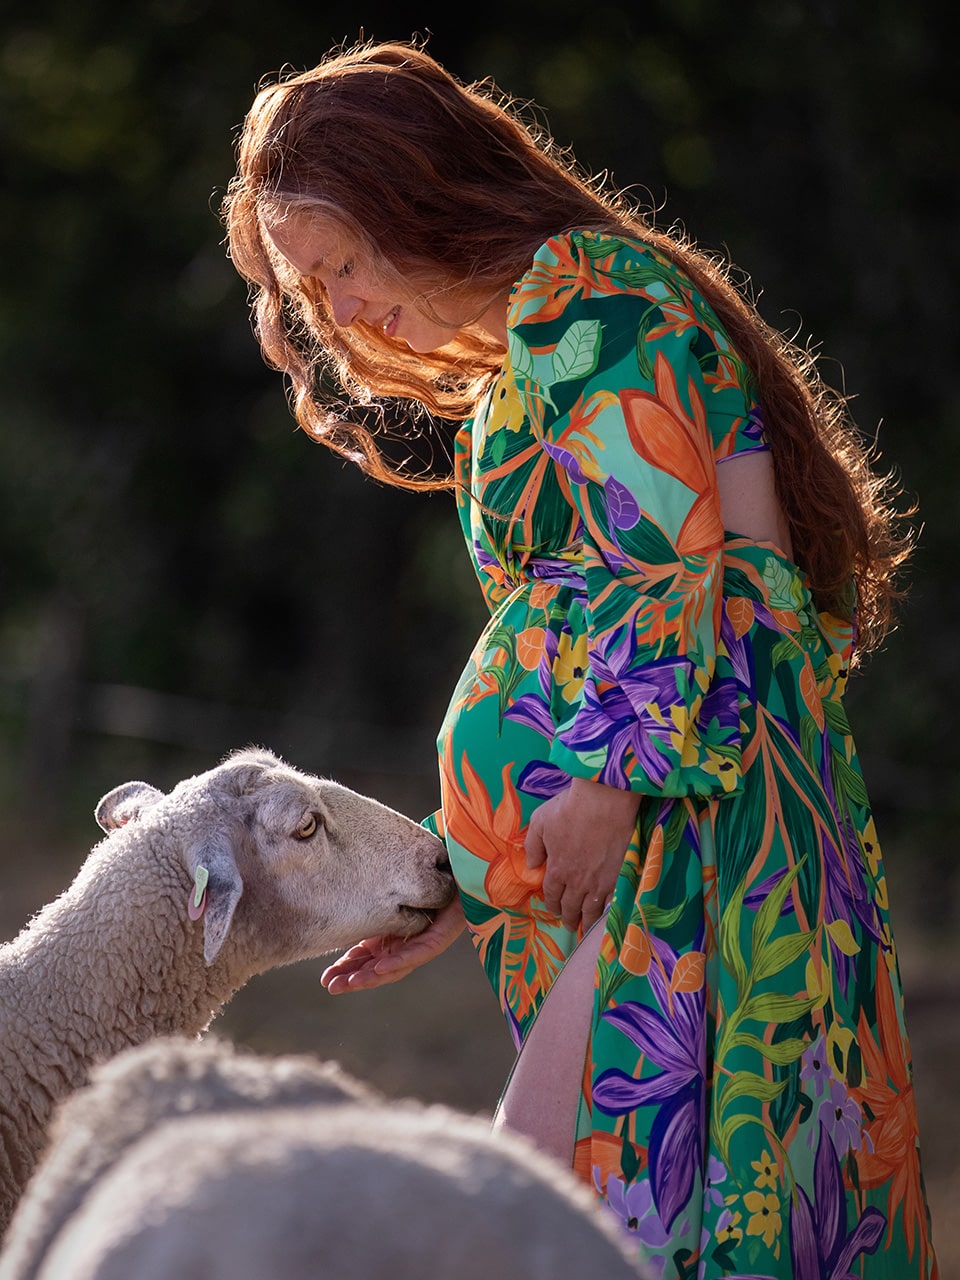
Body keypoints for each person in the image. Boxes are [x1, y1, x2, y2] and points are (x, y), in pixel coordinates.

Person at [221, 39, 938, 1279]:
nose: (335, 312)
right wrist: (468, 873)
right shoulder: (539, 342)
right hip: (651, 836)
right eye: (308, 288)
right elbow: (671, 580)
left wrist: (607, 784)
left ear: (416, 189)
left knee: (574, 1212)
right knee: (634, 1226)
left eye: (339, 263)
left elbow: (684, 574)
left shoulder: (588, 300)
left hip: (687, 839)